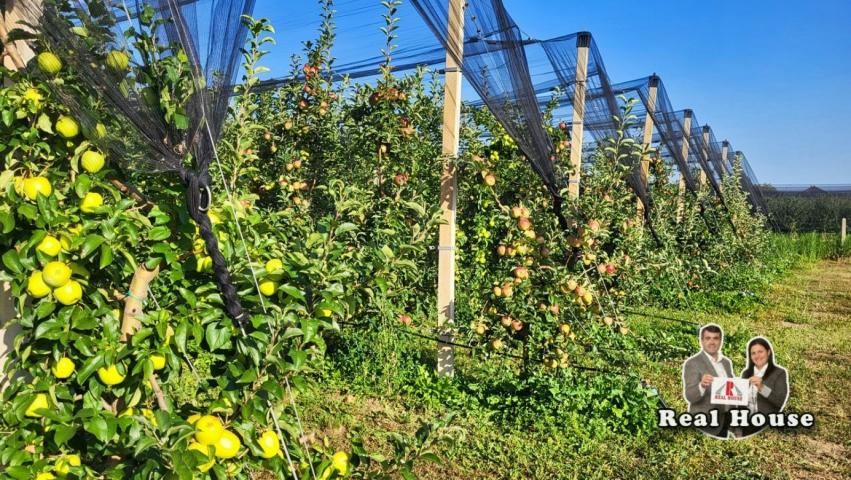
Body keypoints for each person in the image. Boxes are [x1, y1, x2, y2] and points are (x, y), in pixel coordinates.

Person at [682, 324, 734, 438]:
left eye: (715, 338)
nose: (712, 342)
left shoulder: (726, 363)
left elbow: (731, 390)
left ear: (721, 341)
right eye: (708, 338)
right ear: (701, 340)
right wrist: (701, 385)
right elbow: (690, 396)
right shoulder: (693, 363)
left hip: (724, 420)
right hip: (705, 422)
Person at [737, 337, 789, 438]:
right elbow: (740, 402)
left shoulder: (779, 373)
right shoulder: (746, 373)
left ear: (768, 352)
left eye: (760, 351)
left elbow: (780, 401)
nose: (757, 356)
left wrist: (762, 388)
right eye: (753, 353)